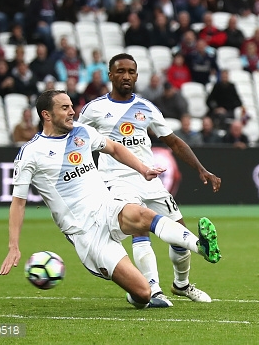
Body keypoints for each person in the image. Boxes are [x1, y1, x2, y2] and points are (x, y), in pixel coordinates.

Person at [0, 89, 220, 309]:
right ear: (46, 115)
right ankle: (138, 293)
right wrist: (13, 246)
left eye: (71, 106)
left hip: (107, 207)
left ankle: (200, 246)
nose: (71, 112)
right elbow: (18, 202)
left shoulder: (83, 132)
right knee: (143, 294)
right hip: (85, 231)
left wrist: (143, 169)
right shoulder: (31, 153)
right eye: (64, 107)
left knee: (141, 214)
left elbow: (114, 148)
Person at [78, 54, 222, 306]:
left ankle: (181, 284)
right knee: (140, 228)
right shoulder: (94, 109)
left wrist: (202, 169)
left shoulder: (147, 107)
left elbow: (173, 141)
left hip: (149, 179)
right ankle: (153, 289)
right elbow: (76, 142)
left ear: (136, 75)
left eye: (131, 71)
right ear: (110, 75)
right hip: (116, 180)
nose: (126, 76)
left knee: (179, 232)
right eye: (120, 71)